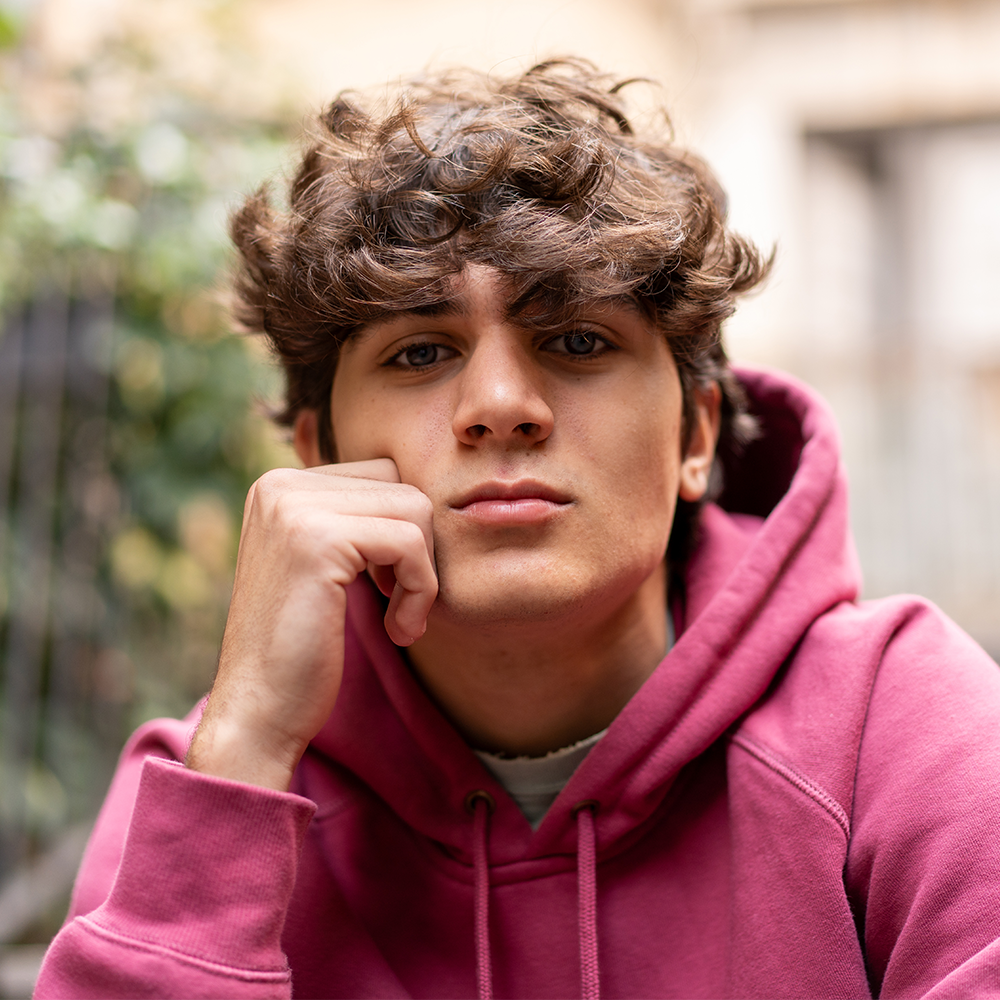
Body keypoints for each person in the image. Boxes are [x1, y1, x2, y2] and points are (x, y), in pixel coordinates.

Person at [36, 59, 1000, 999]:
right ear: (316, 457)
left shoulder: (906, 731)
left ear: (697, 434)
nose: (500, 406)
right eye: (420, 351)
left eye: (578, 340)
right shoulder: (204, 783)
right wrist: (243, 758)